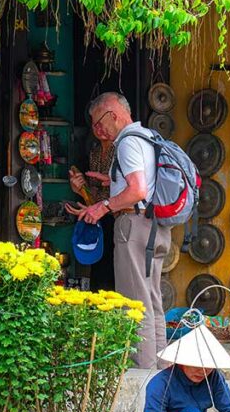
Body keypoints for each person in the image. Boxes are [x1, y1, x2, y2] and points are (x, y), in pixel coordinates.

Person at [66, 92, 169, 369]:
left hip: (134, 224)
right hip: (156, 225)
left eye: (99, 122)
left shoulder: (126, 142)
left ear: (112, 115)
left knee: (134, 302)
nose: (99, 129)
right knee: (152, 300)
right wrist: (111, 182)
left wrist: (104, 206)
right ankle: (161, 369)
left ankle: (142, 374)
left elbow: (138, 190)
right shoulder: (148, 137)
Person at [69, 113, 115, 290]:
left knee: (115, 272)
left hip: (117, 216)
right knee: (98, 270)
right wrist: (80, 188)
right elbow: (92, 193)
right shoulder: (94, 153)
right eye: (95, 125)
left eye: (102, 124)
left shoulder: (122, 150)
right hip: (97, 218)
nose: (99, 129)